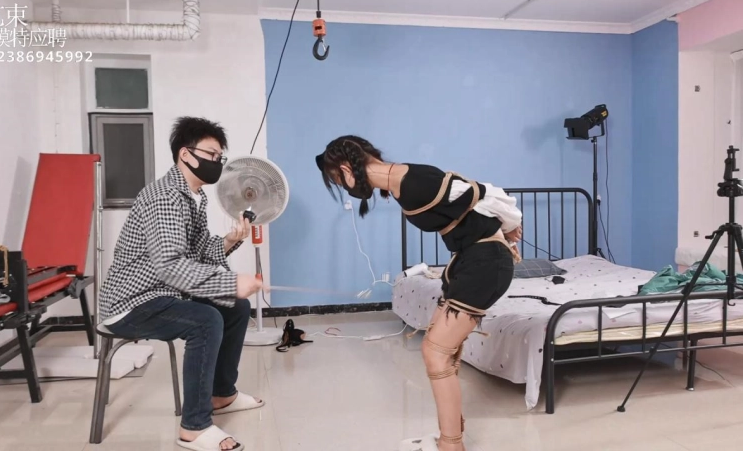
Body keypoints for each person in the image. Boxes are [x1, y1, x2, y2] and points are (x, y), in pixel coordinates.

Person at [315, 135, 522, 451]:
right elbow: (468, 200)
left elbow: (482, 192)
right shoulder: (401, 182)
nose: (343, 187)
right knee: (441, 352)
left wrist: (509, 223)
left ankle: (451, 444)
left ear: (346, 169)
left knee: (435, 352)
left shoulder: (413, 183)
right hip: (469, 261)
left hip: (485, 264)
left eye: (337, 180)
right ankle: (450, 435)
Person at [99, 116, 266, 451]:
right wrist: (229, 282)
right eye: (211, 154)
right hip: (131, 302)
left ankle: (222, 395)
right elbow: (170, 266)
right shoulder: (165, 196)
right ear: (185, 154)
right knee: (206, 320)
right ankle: (194, 427)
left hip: (163, 294)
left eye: (220, 156)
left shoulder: (193, 197)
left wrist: (231, 240)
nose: (217, 162)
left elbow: (201, 252)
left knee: (237, 308)